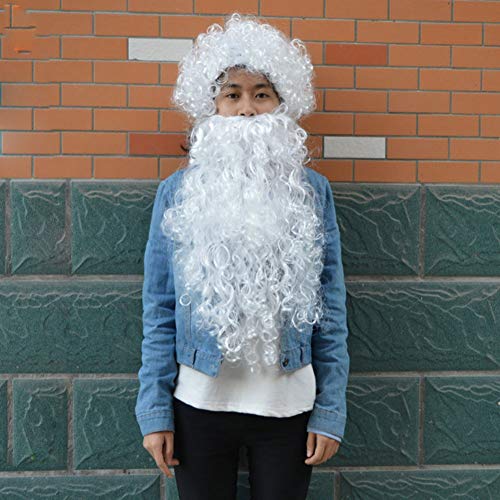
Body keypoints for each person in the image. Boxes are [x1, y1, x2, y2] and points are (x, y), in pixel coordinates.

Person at [135, 13, 350, 500]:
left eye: (262, 94)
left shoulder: (312, 192)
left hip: (289, 409)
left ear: (281, 104)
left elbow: (331, 308)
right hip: (198, 404)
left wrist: (330, 410)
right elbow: (159, 308)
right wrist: (155, 411)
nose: (247, 110)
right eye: (232, 95)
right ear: (211, 106)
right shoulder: (178, 193)